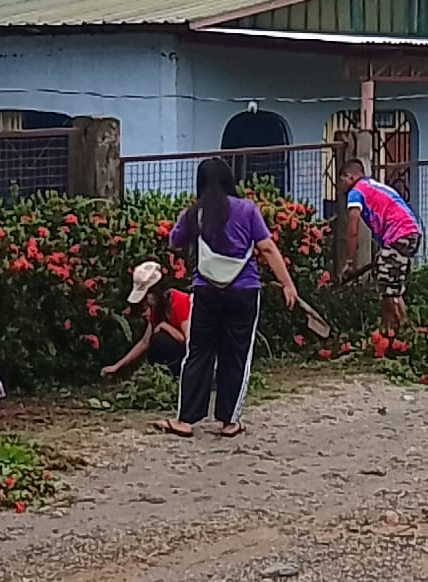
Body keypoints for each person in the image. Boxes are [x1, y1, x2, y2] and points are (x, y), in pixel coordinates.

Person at [162, 157, 299, 438]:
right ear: (229, 179)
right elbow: (268, 248)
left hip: (206, 291)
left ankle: (186, 420)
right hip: (244, 291)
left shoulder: (194, 213)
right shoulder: (247, 209)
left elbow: (174, 242)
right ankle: (229, 421)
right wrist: (287, 284)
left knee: (198, 352)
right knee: (236, 354)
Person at [341, 157, 424, 336]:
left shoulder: (355, 192)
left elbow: (352, 232)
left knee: (387, 287)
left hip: (400, 233)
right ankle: (404, 330)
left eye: (341, 180)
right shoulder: (374, 185)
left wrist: (348, 262)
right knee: (392, 285)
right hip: (411, 232)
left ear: (349, 176)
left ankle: (387, 332)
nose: (341, 185)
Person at [103, 261, 191, 380]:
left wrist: (164, 326)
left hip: (192, 357)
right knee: (155, 341)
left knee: (160, 339)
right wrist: (117, 367)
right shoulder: (157, 309)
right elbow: (145, 342)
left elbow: (188, 340)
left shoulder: (178, 301)